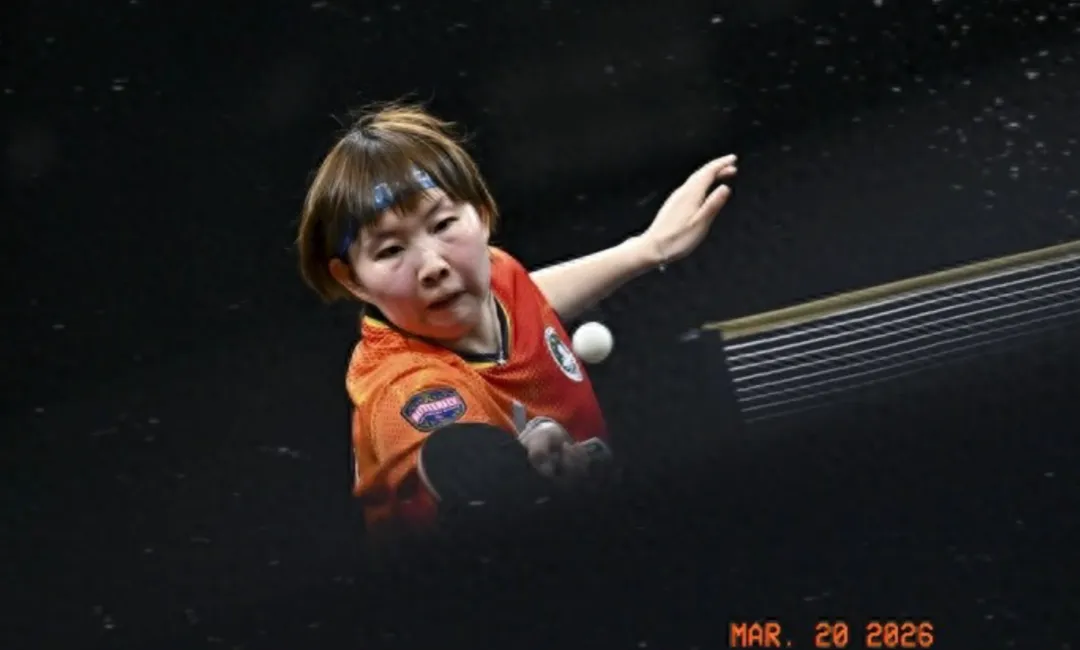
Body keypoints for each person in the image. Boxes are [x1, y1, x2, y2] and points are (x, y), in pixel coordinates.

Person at [296, 102, 737, 539]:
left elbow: (525, 294)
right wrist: (525, 461)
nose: (432, 265)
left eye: (443, 224)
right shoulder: (408, 390)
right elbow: (453, 459)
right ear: (352, 279)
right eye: (391, 250)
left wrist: (645, 249)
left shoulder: (492, 277)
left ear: (481, 214)